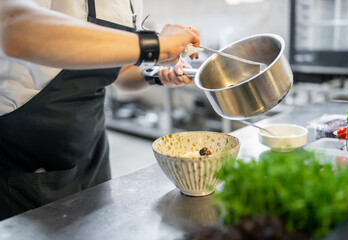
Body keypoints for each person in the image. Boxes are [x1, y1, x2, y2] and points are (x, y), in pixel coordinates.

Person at [0, 0, 200, 220]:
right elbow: (15, 30)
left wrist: (157, 71)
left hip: (91, 156)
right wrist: (156, 46)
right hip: (22, 167)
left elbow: (121, 74)